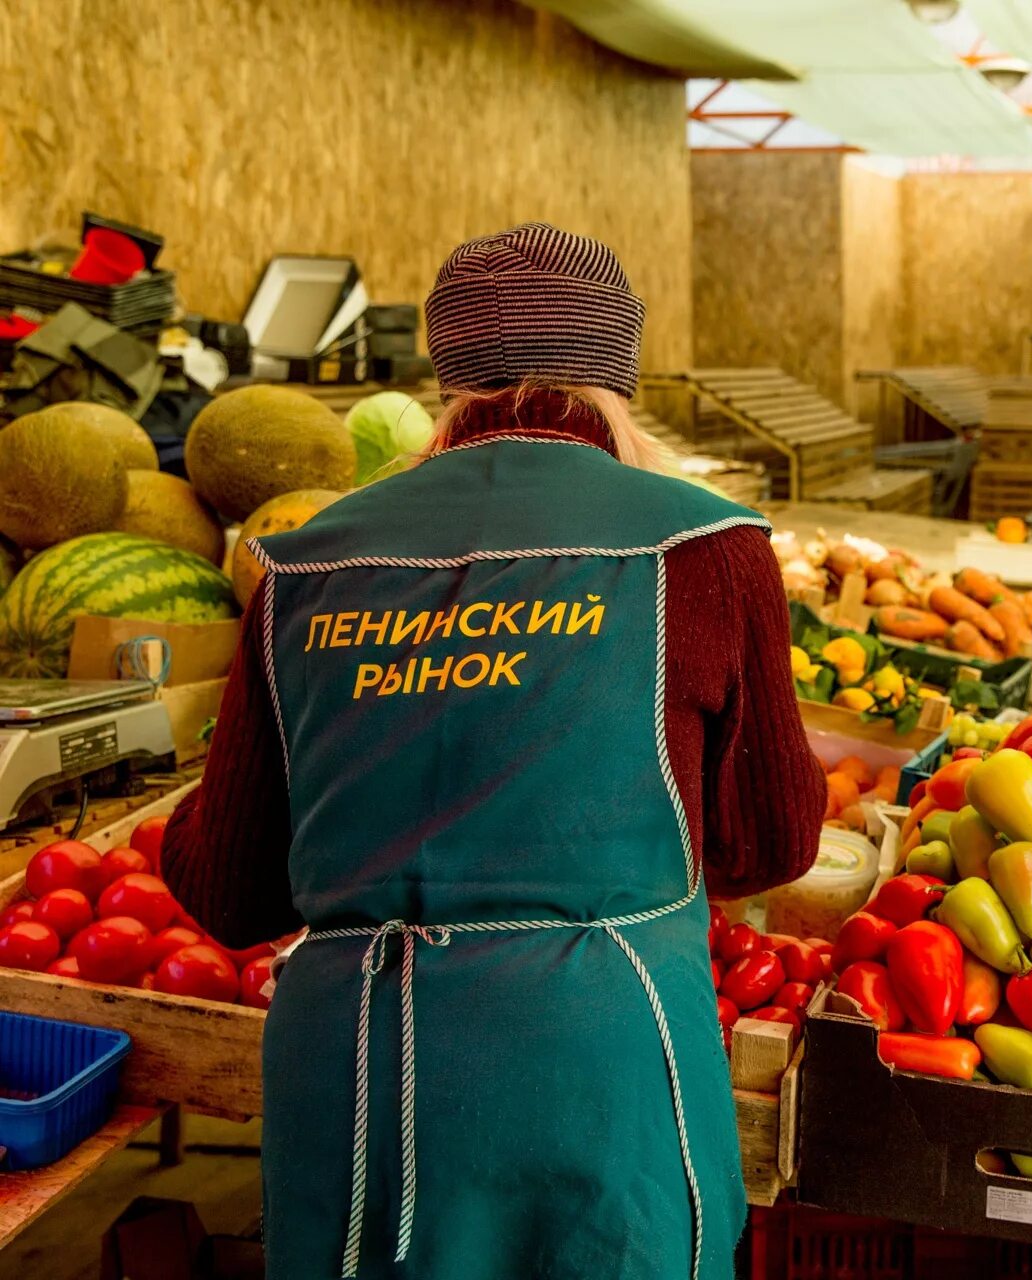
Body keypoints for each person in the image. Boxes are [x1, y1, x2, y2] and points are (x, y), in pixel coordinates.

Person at [162, 224, 824, 1280]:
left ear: (447, 366)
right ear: (618, 366)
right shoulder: (703, 546)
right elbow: (772, 837)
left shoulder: (298, 559)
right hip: (601, 1071)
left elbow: (231, 889)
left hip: (355, 1079)